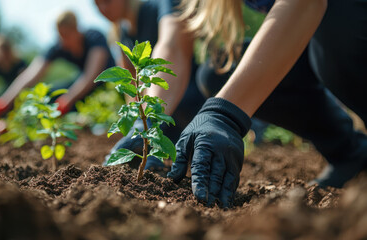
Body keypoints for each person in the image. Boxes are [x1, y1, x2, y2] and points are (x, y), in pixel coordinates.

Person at [144, 0, 367, 208]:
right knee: (221, 72)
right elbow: (172, 44)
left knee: (338, 24)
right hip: (308, 45)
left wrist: (224, 114)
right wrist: (147, 123)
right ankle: (351, 156)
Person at [94, 0, 207, 169]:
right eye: (97, 4)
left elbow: (173, 47)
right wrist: (136, 129)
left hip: (189, 107)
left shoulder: (158, 7)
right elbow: (133, 87)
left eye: (106, 1)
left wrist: (147, 125)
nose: (103, 9)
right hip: (158, 121)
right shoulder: (122, 34)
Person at [0, 10, 115, 125]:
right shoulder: (59, 46)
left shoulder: (95, 38)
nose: (63, 41)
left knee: (71, 101)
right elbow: (31, 74)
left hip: (109, 87)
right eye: (60, 36)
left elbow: (91, 77)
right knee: (48, 96)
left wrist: (67, 100)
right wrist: (3, 102)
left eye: (66, 35)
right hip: (82, 87)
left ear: (76, 29)